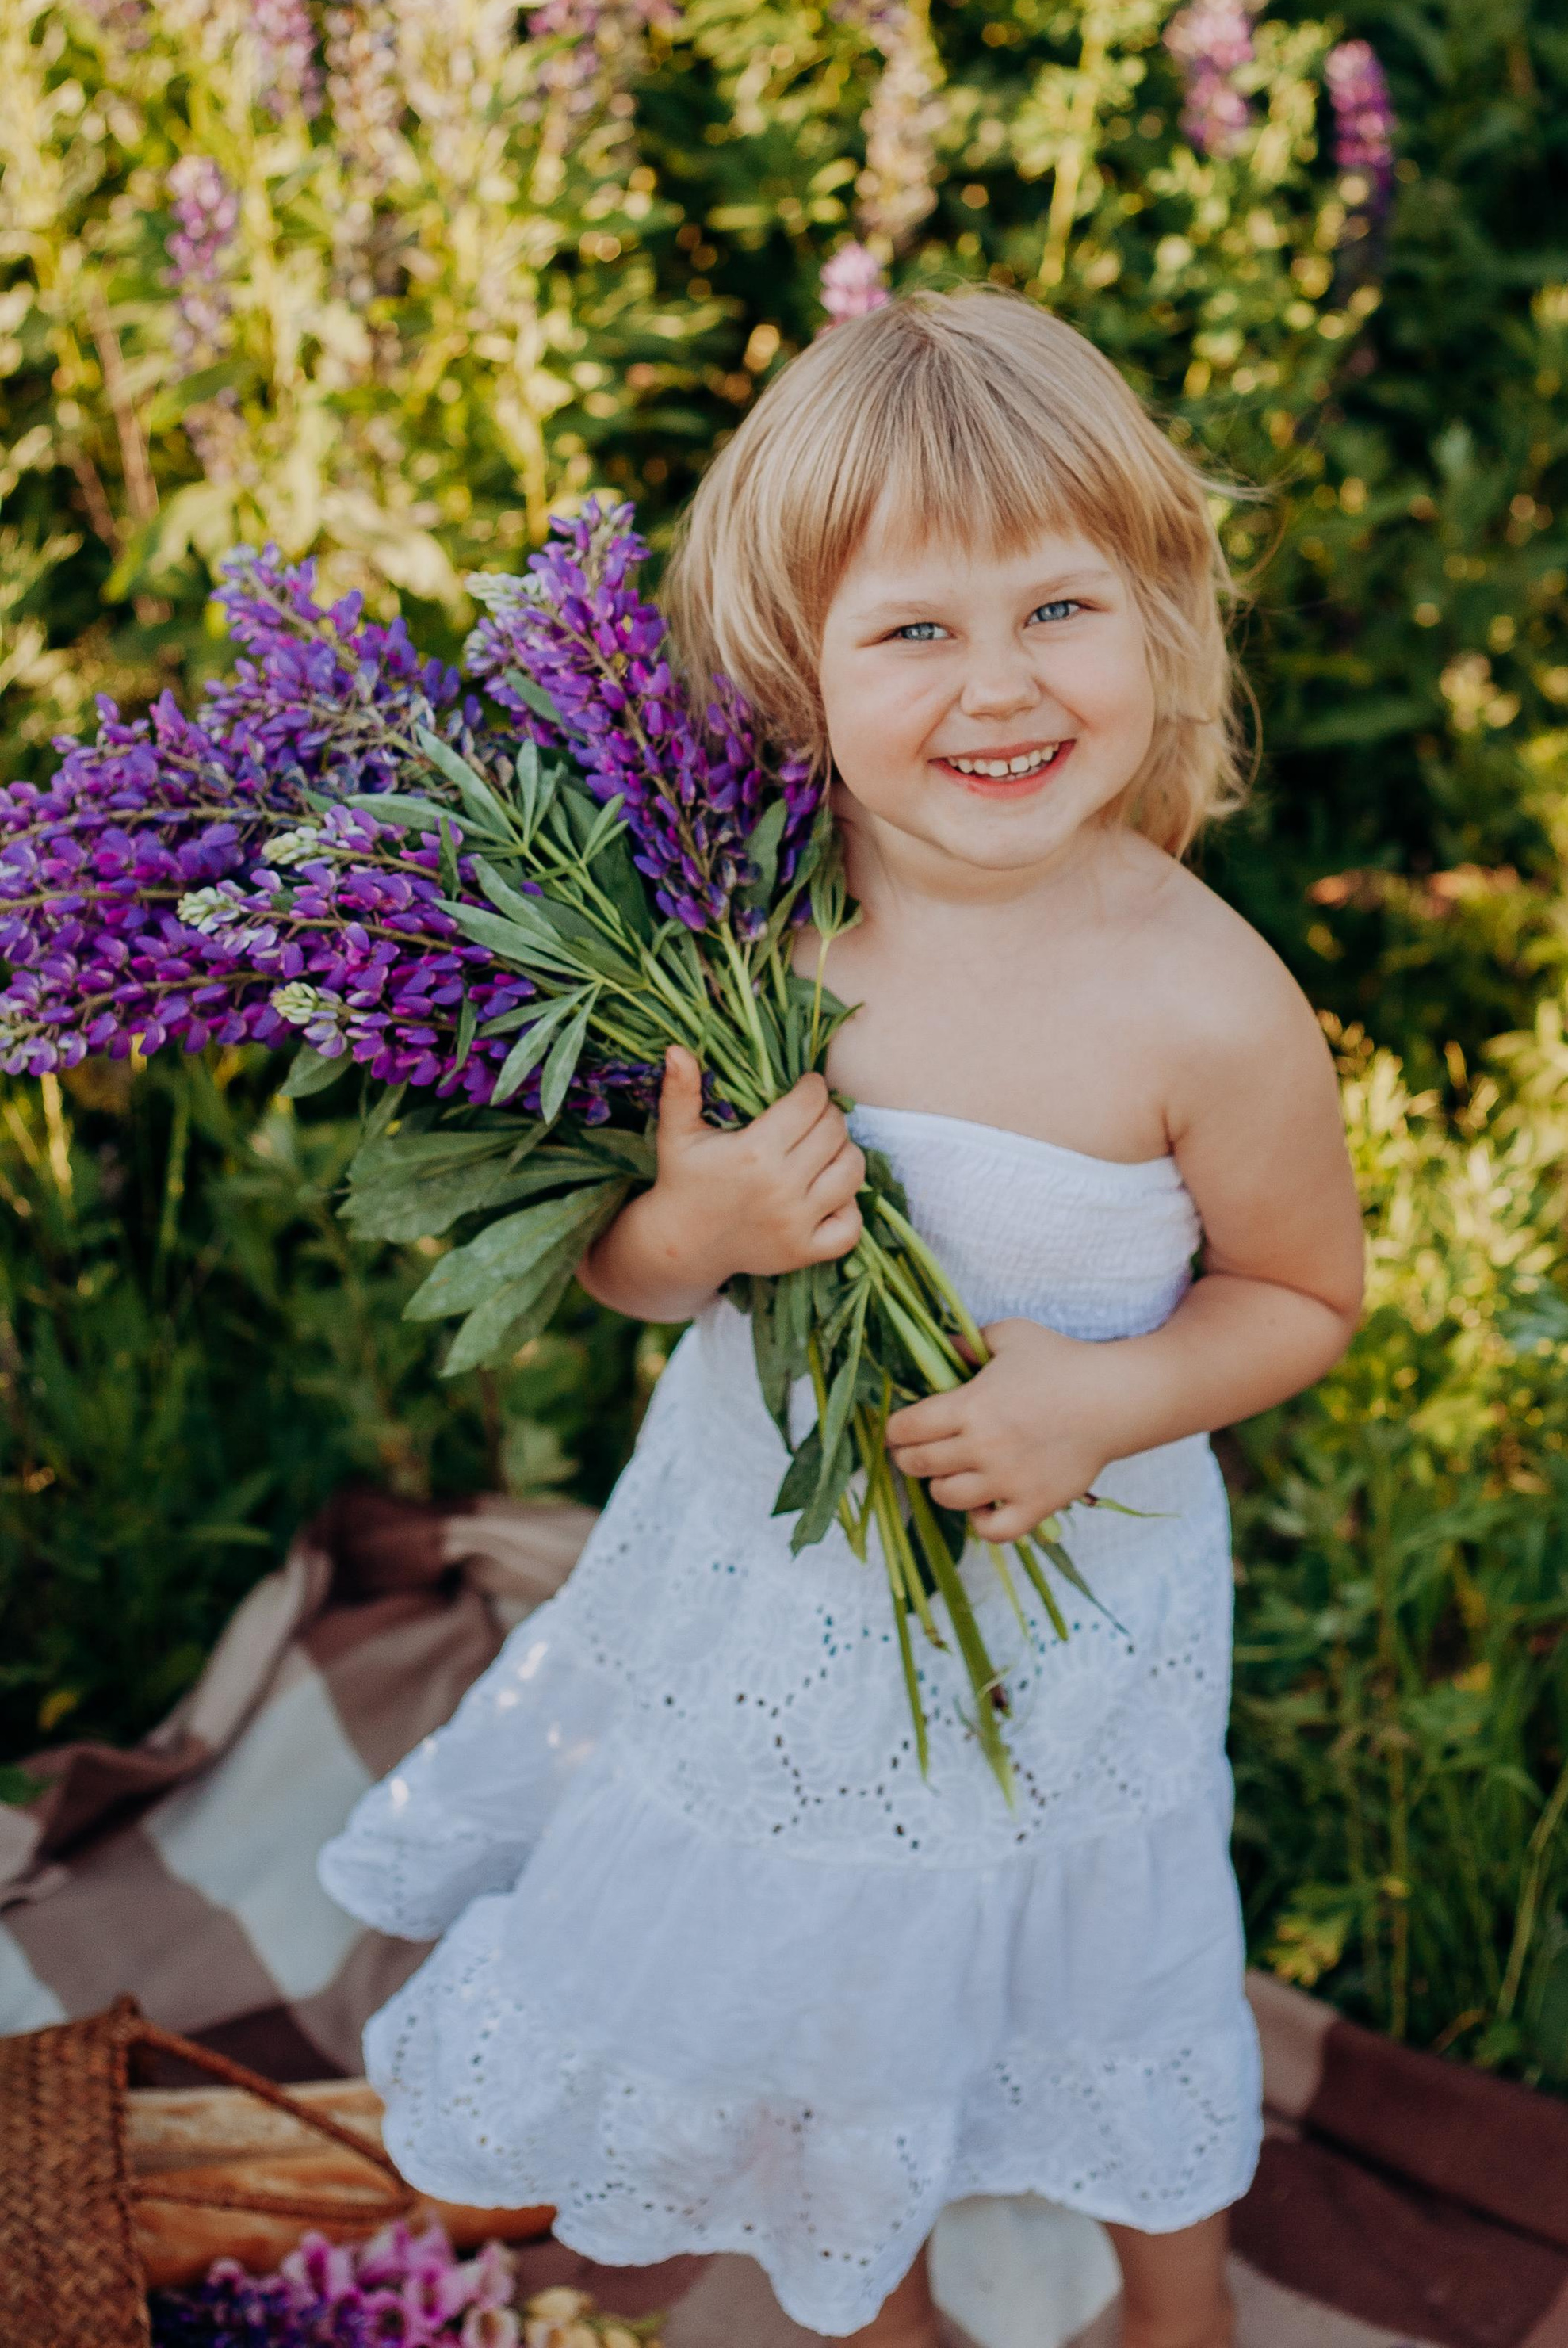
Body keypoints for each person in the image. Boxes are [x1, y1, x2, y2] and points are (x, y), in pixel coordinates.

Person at [319, 288, 1365, 2346]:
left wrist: (1112, 1399)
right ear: (792, 677)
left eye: (1059, 609)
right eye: (914, 633)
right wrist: (695, 1220)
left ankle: (1180, 2310)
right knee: (813, 1987)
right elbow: (629, 1278)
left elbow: (1303, 1295)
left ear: (1159, 612)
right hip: (778, 1598)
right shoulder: (742, 940)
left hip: (1068, 1616)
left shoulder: (1206, 998)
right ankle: (869, 2306)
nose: (1000, 687)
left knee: (1102, 1970)